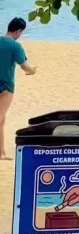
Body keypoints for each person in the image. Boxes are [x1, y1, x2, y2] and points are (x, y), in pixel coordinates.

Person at [0, 17, 36, 160]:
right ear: (18, 31)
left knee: (2, 119)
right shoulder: (15, 46)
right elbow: (24, 66)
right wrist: (32, 70)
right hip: (6, 86)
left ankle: (1, 152)